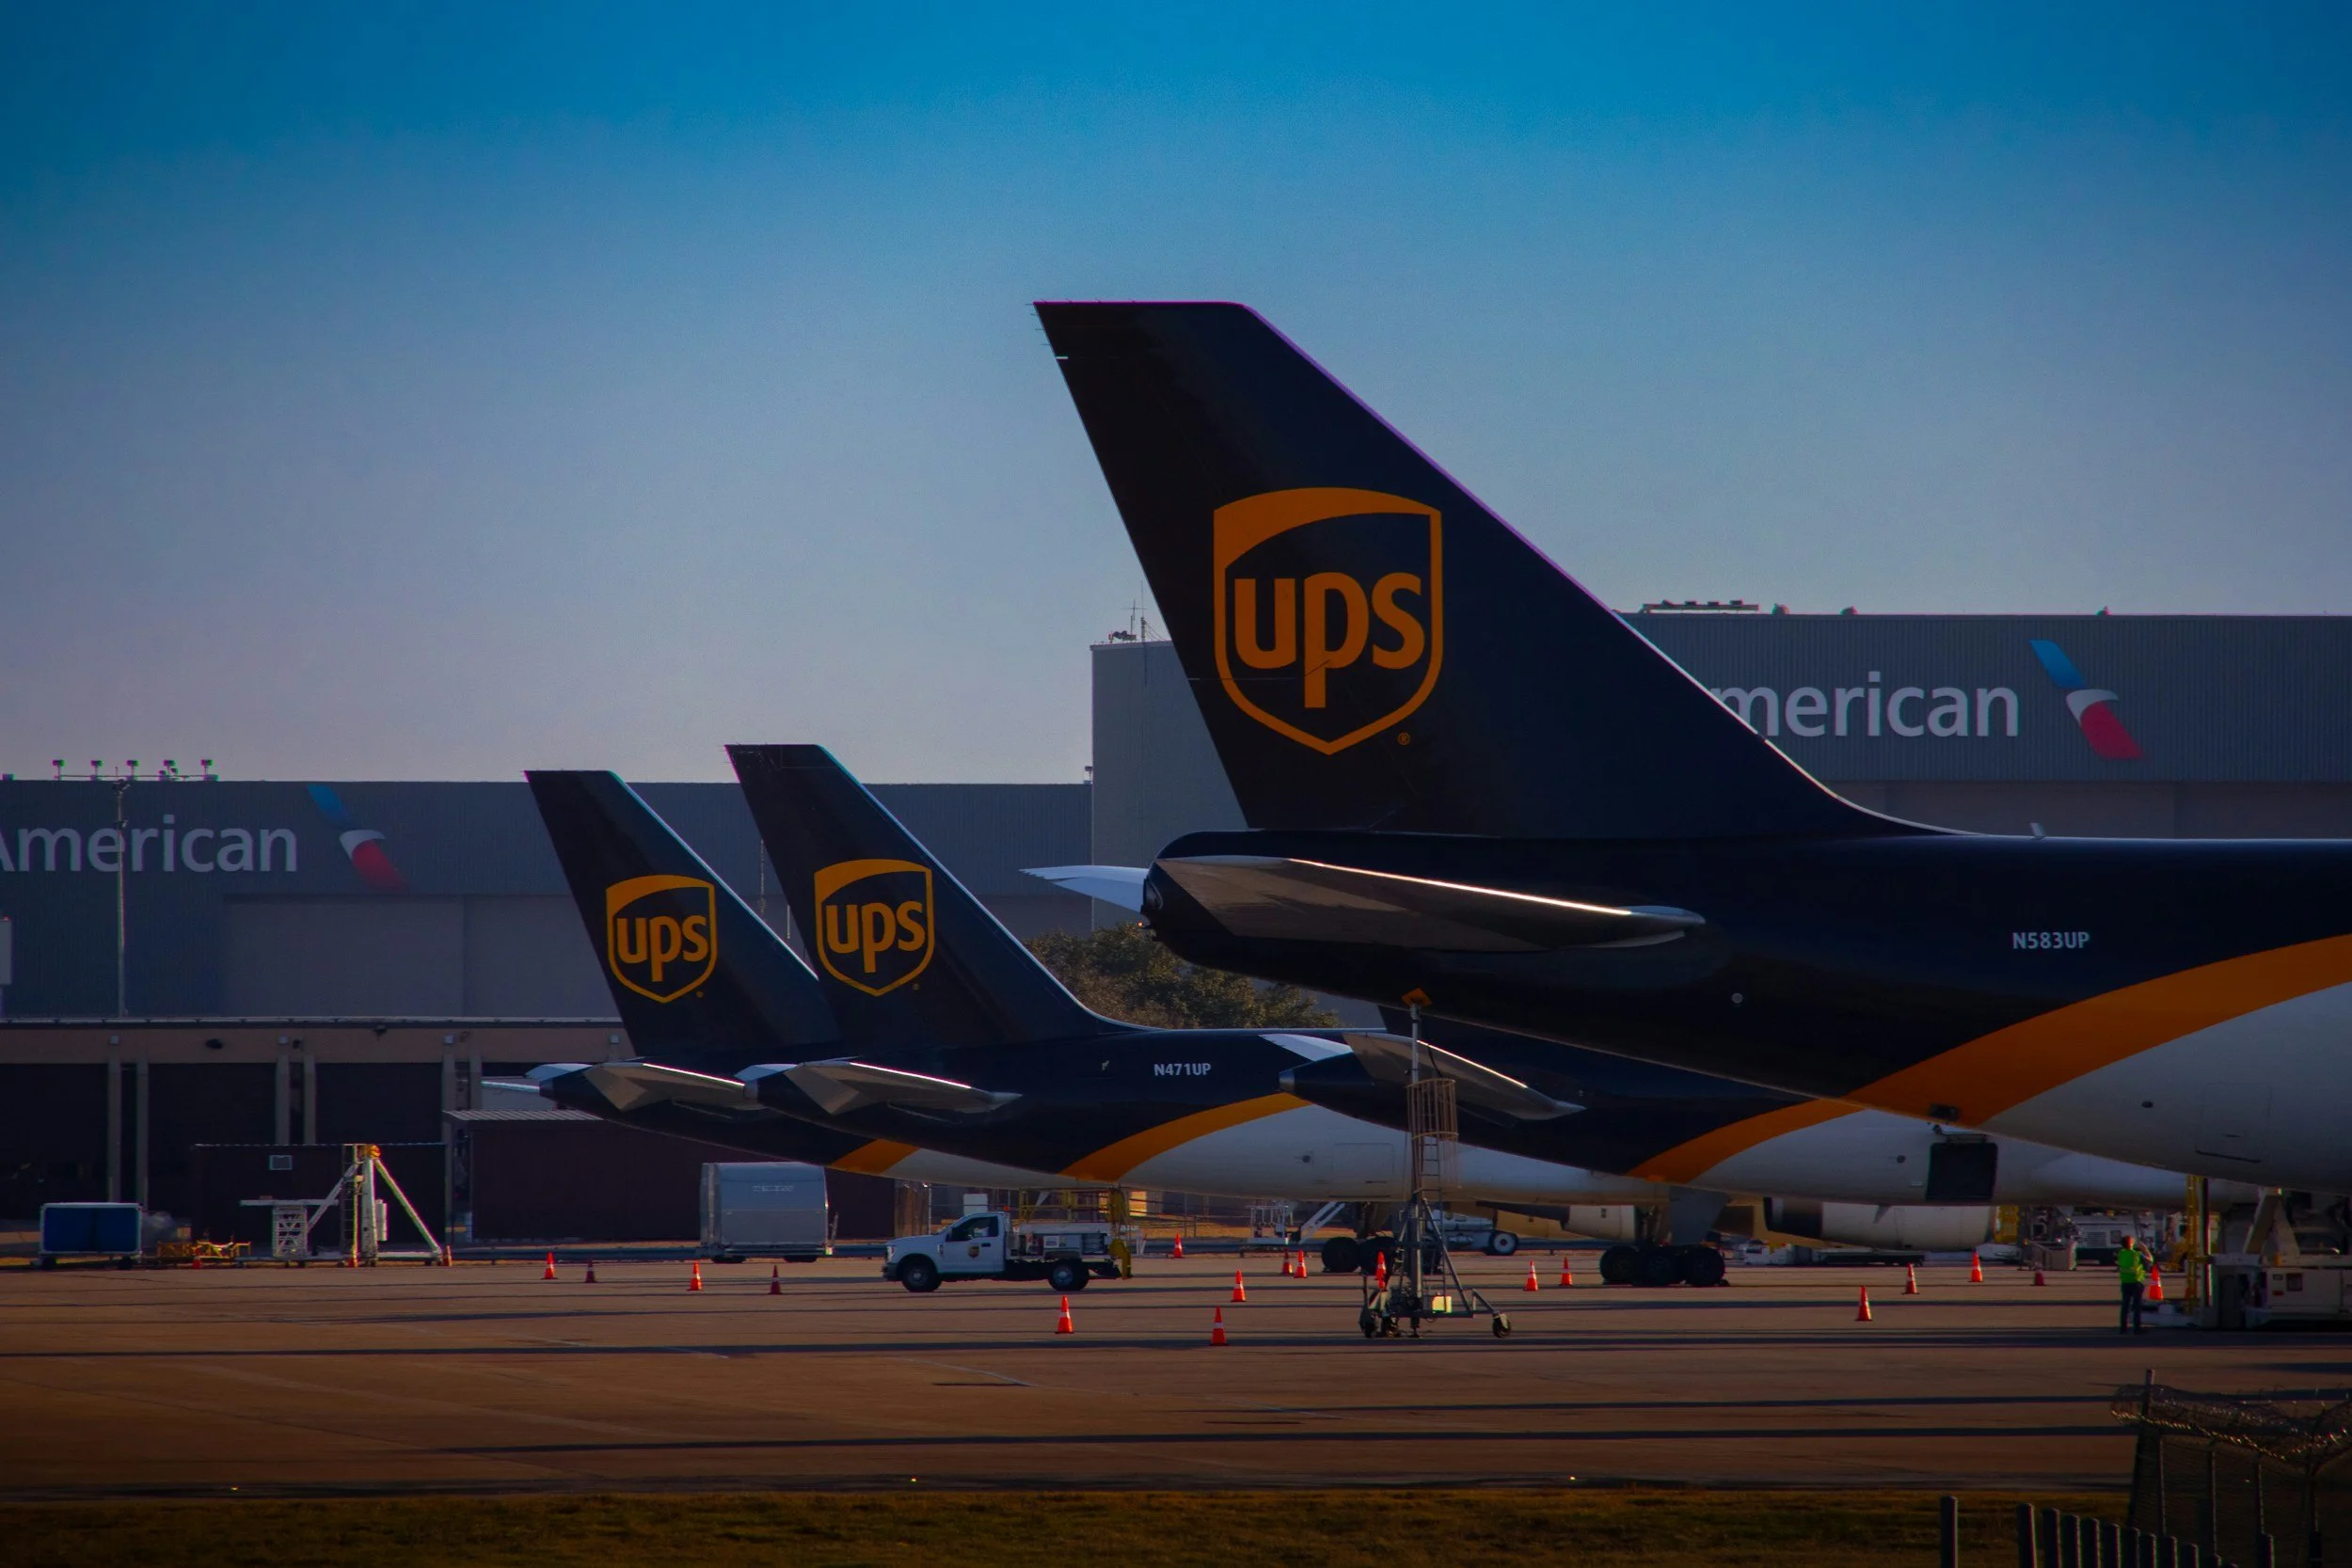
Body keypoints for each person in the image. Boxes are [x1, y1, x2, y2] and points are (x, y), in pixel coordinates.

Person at [2116, 1236, 2149, 1335]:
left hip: (2125, 1282)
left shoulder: (2121, 1253)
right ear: (2130, 1243)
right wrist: (2145, 1249)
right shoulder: (2137, 1254)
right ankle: (2137, 1328)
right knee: (2137, 1306)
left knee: (2125, 1306)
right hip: (2136, 1282)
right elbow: (2150, 1259)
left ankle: (2123, 1328)